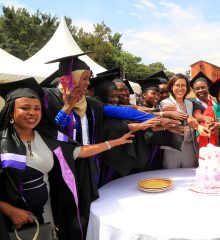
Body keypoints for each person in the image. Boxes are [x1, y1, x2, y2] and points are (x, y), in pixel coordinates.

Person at [42, 52, 178, 236]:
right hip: (63, 166)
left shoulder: (88, 103)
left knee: (88, 208)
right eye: (84, 79)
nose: (88, 83)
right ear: (70, 79)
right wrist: (66, 107)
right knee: (67, 212)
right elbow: (53, 131)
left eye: (89, 79)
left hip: (89, 163)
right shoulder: (48, 98)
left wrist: (157, 120)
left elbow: (124, 112)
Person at [0, 78, 133, 239]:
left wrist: (115, 142)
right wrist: (9, 210)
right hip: (12, 219)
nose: (32, 113)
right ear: (11, 112)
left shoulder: (47, 137)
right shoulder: (2, 143)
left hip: (45, 212)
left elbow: (80, 151)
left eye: (37, 108)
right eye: (25, 108)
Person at [159, 73, 201, 168]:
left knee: (189, 174)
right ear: (171, 87)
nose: (180, 88)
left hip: (189, 145)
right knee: (172, 175)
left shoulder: (189, 103)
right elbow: (177, 115)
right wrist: (189, 118)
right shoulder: (165, 102)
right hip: (173, 146)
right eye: (177, 85)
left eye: (183, 85)